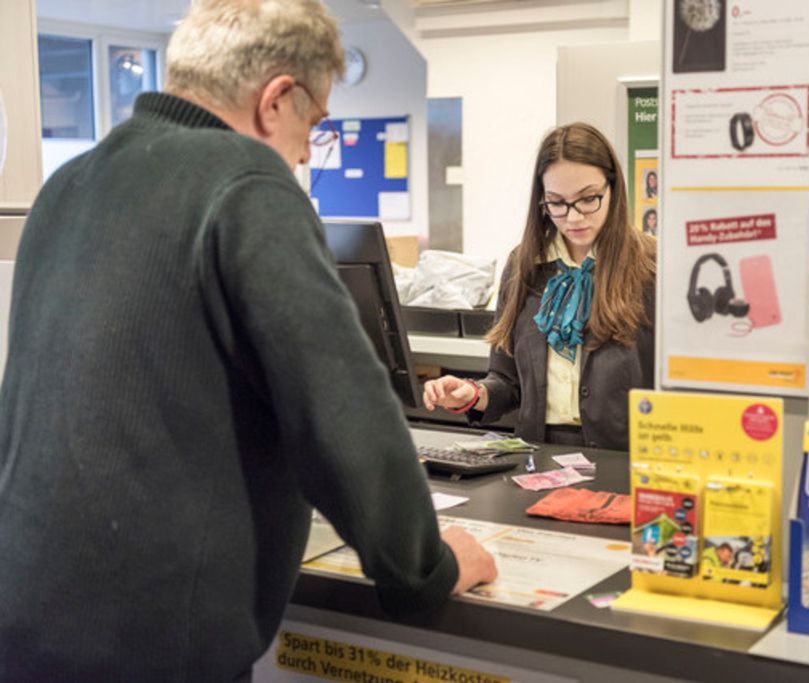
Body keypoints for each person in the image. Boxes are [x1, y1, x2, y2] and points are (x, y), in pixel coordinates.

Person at [0, 1, 495, 680]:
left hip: (26, 615)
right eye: (314, 125)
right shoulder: (246, 182)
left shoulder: (66, 187)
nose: (304, 153)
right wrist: (424, 568)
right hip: (152, 646)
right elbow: (341, 409)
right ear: (277, 100)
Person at [422, 123, 656, 451]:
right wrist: (473, 395)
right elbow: (507, 382)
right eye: (557, 202)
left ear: (613, 188)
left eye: (588, 199)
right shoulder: (524, 265)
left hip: (626, 458)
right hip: (540, 454)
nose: (573, 218)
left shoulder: (651, 266)